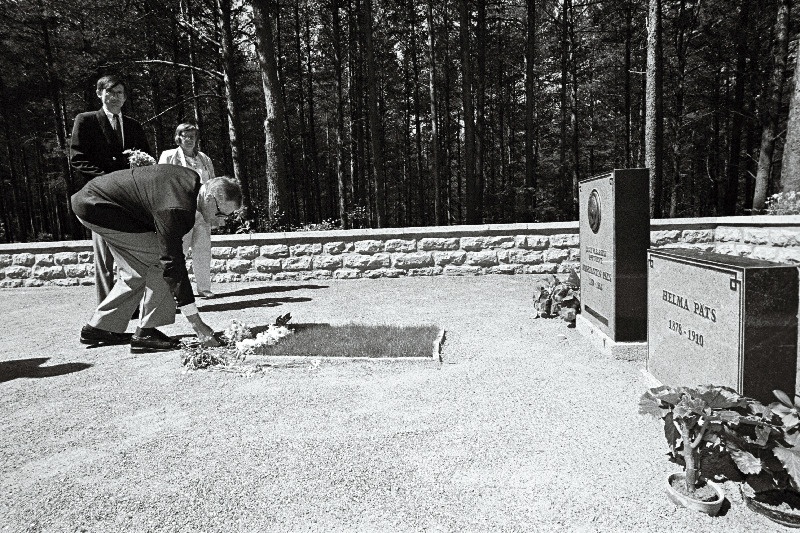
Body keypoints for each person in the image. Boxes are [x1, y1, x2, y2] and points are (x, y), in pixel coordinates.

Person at [71, 164, 241, 353]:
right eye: (221, 214)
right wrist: (197, 324)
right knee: (160, 262)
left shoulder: (190, 182)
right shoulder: (177, 208)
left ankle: (100, 327)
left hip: (95, 203)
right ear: (209, 199)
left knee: (137, 269)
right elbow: (171, 264)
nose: (222, 222)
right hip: (99, 207)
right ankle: (146, 333)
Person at [70, 75, 153, 305]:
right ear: (99, 93)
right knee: (104, 259)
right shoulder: (86, 121)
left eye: (120, 93)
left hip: (130, 200)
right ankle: (106, 310)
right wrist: (107, 182)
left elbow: (146, 159)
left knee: (134, 255)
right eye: (110, 92)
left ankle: (133, 304)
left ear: (125, 98)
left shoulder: (134, 126)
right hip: (99, 198)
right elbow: (78, 159)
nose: (115, 97)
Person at [159, 123, 217, 298]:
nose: (190, 139)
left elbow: (213, 183)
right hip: (180, 210)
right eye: (186, 136)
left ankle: (204, 288)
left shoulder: (204, 159)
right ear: (178, 137)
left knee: (203, 250)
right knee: (178, 251)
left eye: (193, 136)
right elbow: (160, 180)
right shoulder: (169, 156)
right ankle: (173, 290)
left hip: (202, 211)